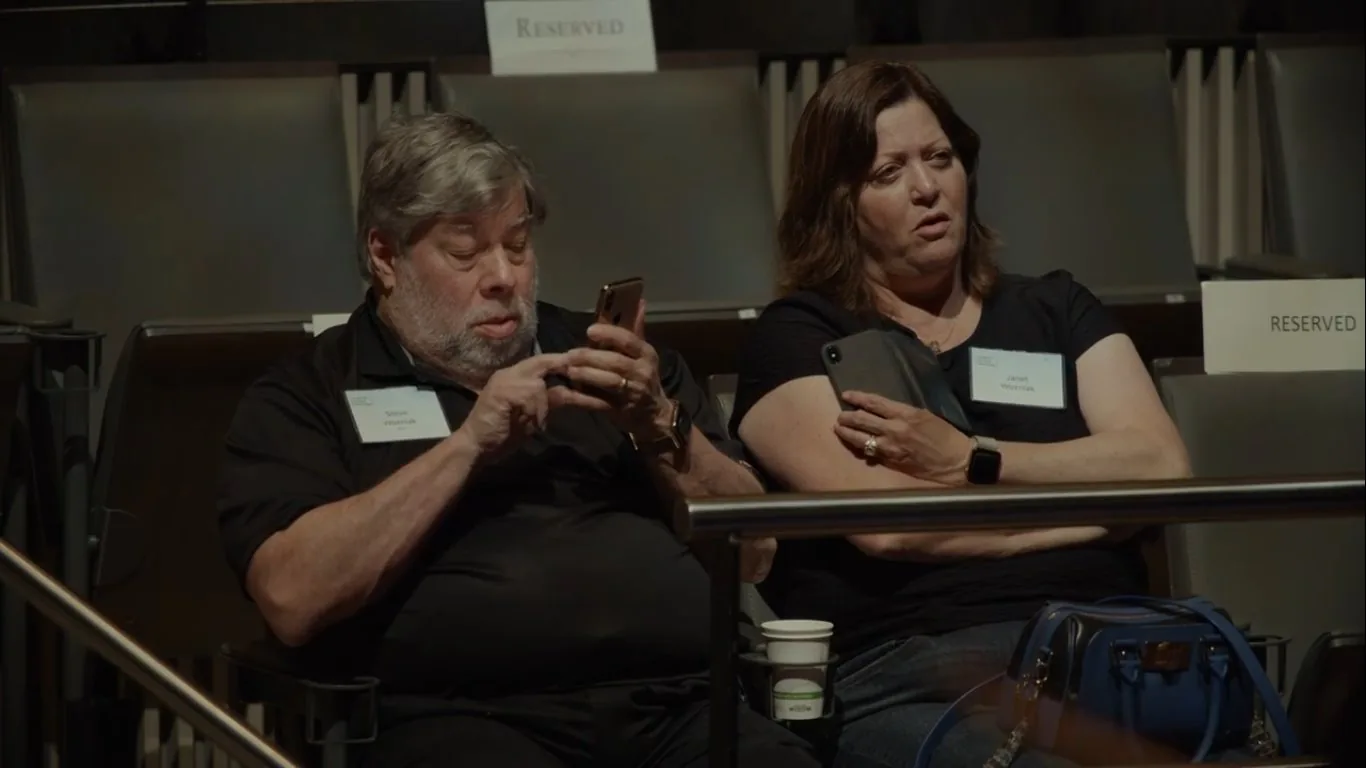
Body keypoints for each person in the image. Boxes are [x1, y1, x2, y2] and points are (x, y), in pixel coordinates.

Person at [217, 113, 818, 768]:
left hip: (680, 710)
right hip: (465, 721)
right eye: (466, 252)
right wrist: (466, 445)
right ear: (386, 257)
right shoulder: (310, 393)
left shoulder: (616, 362)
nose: (504, 275)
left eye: (518, 244)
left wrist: (660, 422)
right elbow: (291, 598)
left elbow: (755, 551)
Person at [728, 61, 1193, 768]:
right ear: (839, 202)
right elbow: (892, 528)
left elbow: (1164, 467)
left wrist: (973, 460)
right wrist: (1097, 511)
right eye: (888, 173)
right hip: (916, 674)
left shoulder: (1057, 308)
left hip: (1101, 657)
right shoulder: (800, 338)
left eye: (940, 159)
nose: (927, 188)